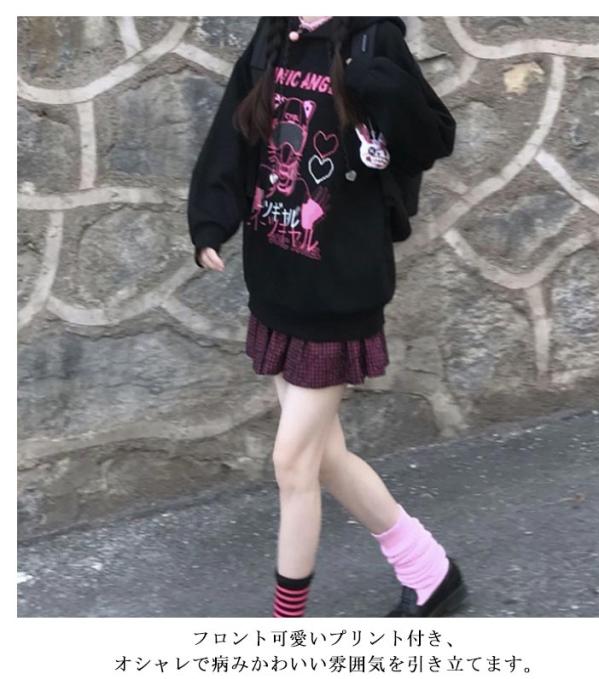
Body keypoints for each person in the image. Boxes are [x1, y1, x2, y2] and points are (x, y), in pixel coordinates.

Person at [187, 15, 467, 617]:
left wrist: (377, 83)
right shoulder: (273, 34)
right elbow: (234, 134)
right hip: (277, 280)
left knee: (292, 463)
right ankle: (430, 570)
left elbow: (432, 138)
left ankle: (287, 629)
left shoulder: (373, 37)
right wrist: (210, 221)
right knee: (324, 456)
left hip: (339, 288)